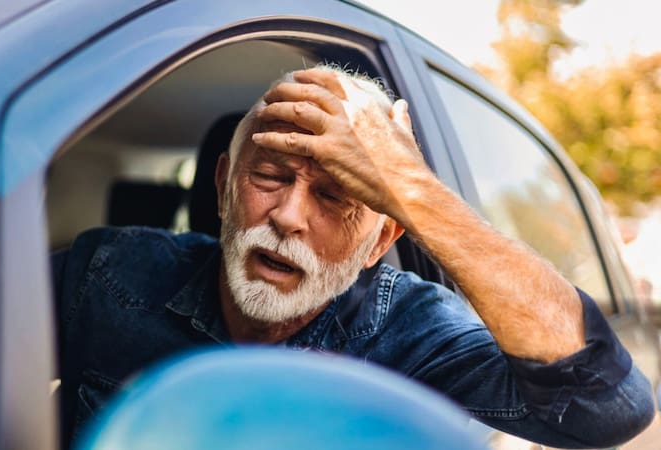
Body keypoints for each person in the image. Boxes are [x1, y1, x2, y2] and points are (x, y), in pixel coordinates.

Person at [52, 66, 655, 449]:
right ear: (221, 187)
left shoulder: (418, 333)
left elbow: (605, 410)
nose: (288, 217)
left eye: (337, 195)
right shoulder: (110, 273)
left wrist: (409, 187)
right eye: (268, 177)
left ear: (383, 240)